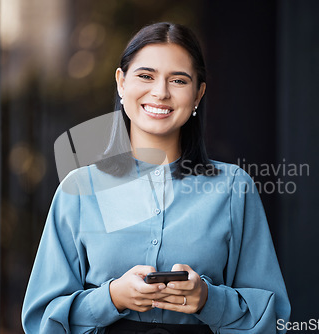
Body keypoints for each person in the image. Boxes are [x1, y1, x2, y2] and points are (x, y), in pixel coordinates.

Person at [22, 22, 290, 333]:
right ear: (121, 83)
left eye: (178, 80)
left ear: (198, 94)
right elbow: (42, 319)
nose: (160, 92)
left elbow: (273, 320)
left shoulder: (234, 188)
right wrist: (111, 298)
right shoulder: (78, 190)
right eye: (145, 76)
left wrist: (208, 299)